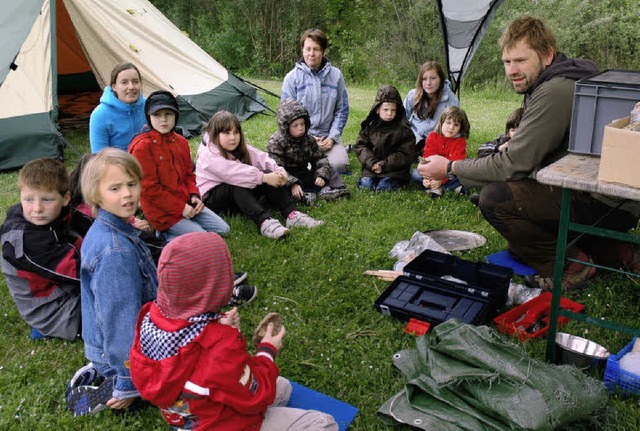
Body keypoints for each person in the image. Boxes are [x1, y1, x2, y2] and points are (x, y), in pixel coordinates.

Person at [418, 16, 640, 290]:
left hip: (603, 203)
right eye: (507, 62)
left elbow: (515, 164)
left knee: (495, 199)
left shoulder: (555, 89)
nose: (512, 70)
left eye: (521, 60)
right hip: (613, 201)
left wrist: (451, 168)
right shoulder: (562, 77)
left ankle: (574, 266)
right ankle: (615, 250)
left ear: (547, 55)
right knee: (518, 245)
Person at [129, 232, 339, 430]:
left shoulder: (150, 318)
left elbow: (192, 348)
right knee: (323, 423)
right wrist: (267, 350)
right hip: (226, 422)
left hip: (195, 414)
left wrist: (218, 325)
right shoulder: (218, 347)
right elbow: (256, 395)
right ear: (211, 286)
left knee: (282, 386)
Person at [66, 148, 158, 416]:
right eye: (115, 188)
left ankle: (102, 367)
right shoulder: (115, 251)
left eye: (132, 184)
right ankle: (111, 380)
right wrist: (128, 383)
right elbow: (120, 321)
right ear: (95, 194)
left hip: (111, 343)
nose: (127, 194)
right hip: (124, 354)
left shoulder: (109, 229)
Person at [195, 111, 324, 240]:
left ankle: (292, 214)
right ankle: (264, 221)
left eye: (235, 132)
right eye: (226, 133)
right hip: (215, 201)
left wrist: (279, 173)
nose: (233, 137)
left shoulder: (236, 147)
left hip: (239, 195)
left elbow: (261, 158)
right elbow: (233, 172)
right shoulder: (208, 154)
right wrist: (264, 178)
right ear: (214, 135)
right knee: (239, 182)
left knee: (267, 173)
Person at [0, 158, 90, 341]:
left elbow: (96, 229)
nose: (37, 209)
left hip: (73, 292)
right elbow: (84, 272)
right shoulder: (26, 241)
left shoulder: (64, 212)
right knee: (127, 305)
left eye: (47, 199)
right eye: (28, 199)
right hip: (58, 312)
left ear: (65, 198)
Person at [128, 90, 230, 241]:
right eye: (157, 115)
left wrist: (194, 195)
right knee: (204, 238)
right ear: (149, 117)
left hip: (186, 202)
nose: (163, 120)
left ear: (176, 115)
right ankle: (163, 233)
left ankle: (185, 226)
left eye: (168, 114)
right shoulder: (142, 147)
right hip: (163, 213)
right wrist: (180, 208)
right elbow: (150, 189)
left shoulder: (181, 142)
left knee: (224, 229)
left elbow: (189, 174)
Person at [281, 29, 350, 174]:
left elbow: (342, 110)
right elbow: (285, 115)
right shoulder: (291, 78)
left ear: (324, 51)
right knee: (301, 167)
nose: (311, 54)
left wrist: (332, 138)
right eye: (308, 49)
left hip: (328, 137)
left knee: (340, 166)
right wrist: (309, 138)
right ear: (302, 50)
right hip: (301, 137)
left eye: (316, 49)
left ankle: (333, 154)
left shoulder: (336, 76)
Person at [266, 98, 350, 204]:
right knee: (276, 185)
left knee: (328, 167)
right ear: (285, 127)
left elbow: (320, 159)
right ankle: (303, 195)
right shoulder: (276, 141)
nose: (301, 128)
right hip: (285, 174)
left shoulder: (309, 139)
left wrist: (321, 175)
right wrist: (292, 183)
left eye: (302, 124)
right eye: (295, 125)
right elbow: (276, 167)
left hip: (303, 172)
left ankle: (334, 189)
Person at [353, 85, 415, 192]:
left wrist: (384, 165)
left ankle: (391, 182)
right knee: (366, 186)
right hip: (372, 168)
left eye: (393, 110)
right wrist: (372, 163)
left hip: (395, 171)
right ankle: (371, 178)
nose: (389, 113)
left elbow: (405, 153)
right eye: (385, 109)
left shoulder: (404, 130)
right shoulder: (369, 126)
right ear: (377, 109)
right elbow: (361, 146)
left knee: (384, 187)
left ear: (398, 110)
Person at [410, 106, 470, 198]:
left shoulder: (460, 141)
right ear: (441, 122)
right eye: (448, 123)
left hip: (449, 173)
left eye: (456, 125)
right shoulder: (432, 136)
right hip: (432, 171)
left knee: (464, 174)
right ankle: (447, 188)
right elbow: (427, 159)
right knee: (415, 174)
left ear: (460, 128)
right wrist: (427, 179)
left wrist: (441, 180)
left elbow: (456, 164)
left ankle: (440, 188)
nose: (451, 127)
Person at [404, 61, 460, 157]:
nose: (428, 83)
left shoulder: (451, 99)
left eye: (433, 78)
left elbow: (455, 128)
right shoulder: (413, 95)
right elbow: (402, 117)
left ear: (441, 79)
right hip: (415, 137)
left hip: (437, 140)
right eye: (424, 79)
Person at [89, 63, 146, 153]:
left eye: (135, 81)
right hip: (116, 165)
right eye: (124, 82)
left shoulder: (149, 107)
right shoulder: (100, 115)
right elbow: (99, 156)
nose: (131, 87)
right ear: (114, 87)